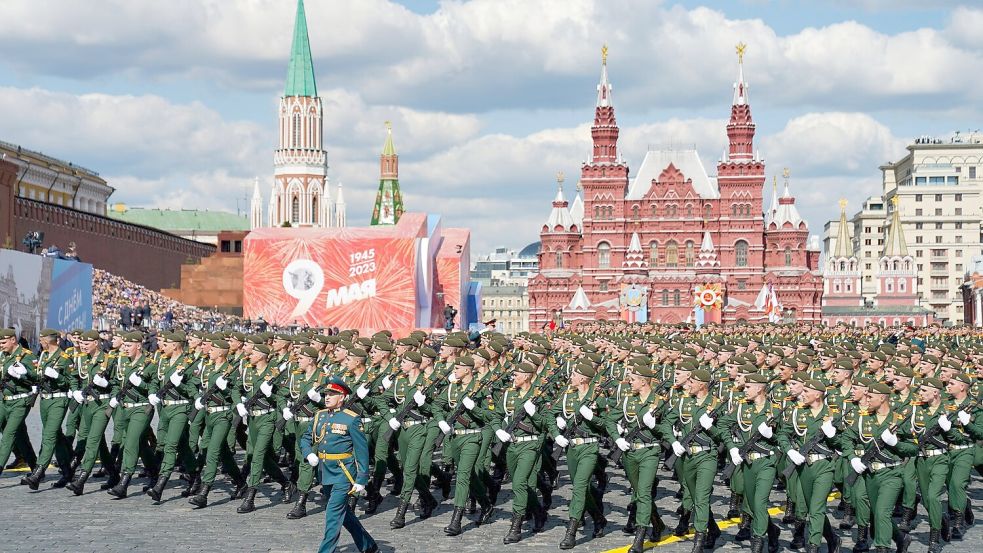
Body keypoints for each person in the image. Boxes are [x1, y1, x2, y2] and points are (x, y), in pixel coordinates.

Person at [300, 377, 378, 553]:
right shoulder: (319, 416)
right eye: (326, 394)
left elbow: (362, 451)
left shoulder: (351, 419)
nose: (327, 397)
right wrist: (309, 453)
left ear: (341, 397)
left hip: (343, 473)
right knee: (345, 515)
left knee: (333, 516)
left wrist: (361, 479)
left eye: (332, 394)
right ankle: (368, 546)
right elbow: (305, 438)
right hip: (325, 472)